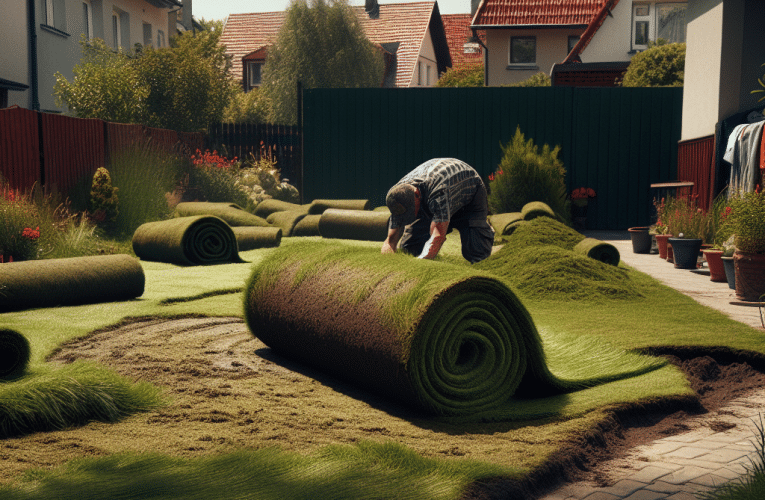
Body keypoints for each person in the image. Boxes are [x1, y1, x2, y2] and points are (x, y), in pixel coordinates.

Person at [381, 158, 494, 263]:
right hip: (433, 200)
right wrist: (388, 262)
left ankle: (483, 232)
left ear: (416, 194)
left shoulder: (438, 192)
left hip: (469, 195)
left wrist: (421, 263)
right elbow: (391, 240)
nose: (410, 216)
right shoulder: (397, 197)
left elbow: (438, 235)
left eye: (411, 211)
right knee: (409, 248)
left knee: (476, 251)